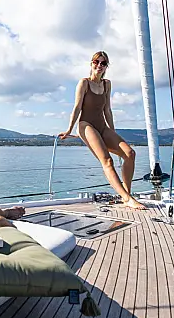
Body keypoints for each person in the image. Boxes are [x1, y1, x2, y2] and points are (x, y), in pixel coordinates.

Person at [58, 51, 146, 210]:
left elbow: (107, 110)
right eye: (96, 62)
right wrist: (69, 130)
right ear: (91, 63)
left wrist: (113, 132)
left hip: (102, 126)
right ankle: (127, 199)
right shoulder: (84, 83)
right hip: (86, 125)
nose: (99, 65)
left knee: (130, 153)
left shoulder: (107, 84)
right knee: (107, 161)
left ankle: (127, 194)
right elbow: (77, 108)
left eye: (103, 63)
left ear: (106, 66)